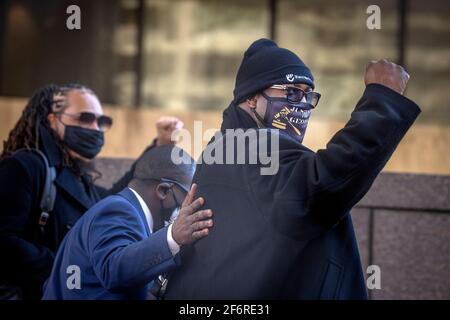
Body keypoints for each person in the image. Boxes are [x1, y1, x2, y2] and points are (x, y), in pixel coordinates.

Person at [164, 38, 421, 299]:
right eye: (291, 92)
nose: (302, 104)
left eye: (308, 95)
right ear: (252, 97)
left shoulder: (228, 146)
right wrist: (382, 100)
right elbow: (320, 188)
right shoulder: (249, 144)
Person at [0, 84, 182, 299]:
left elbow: (122, 194)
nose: (95, 128)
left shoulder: (78, 174)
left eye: (102, 121)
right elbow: (4, 239)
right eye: (85, 118)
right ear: (52, 120)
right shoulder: (25, 166)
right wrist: (65, 260)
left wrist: (159, 148)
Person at [42, 145, 213, 299]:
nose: (186, 207)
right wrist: (173, 236)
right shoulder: (118, 210)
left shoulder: (133, 215)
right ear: (163, 191)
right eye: (186, 197)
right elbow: (113, 271)